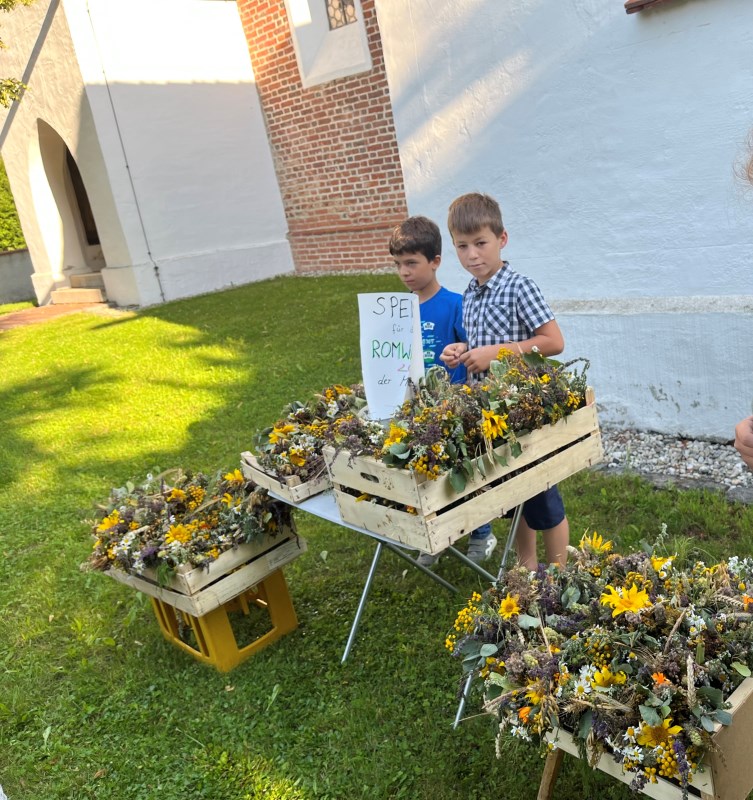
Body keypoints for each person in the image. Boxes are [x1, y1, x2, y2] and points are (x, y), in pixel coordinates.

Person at [440, 192, 569, 570]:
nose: (472, 255)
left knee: (542, 497)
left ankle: (559, 573)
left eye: (480, 243)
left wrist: (495, 354)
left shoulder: (518, 286)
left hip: (522, 410)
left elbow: (553, 342)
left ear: (502, 239)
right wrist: (463, 350)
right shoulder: (470, 294)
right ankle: (526, 567)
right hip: (491, 414)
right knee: (514, 495)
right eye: (462, 246)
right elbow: (482, 343)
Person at [389, 215, 497, 566]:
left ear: (435, 261)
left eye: (411, 263)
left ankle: (481, 532)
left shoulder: (454, 303)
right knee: (423, 472)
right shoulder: (396, 311)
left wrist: (460, 353)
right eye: (398, 264)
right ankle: (432, 536)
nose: (404, 272)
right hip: (415, 406)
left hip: (453, 404)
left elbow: (470, 345)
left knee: (464, 468)